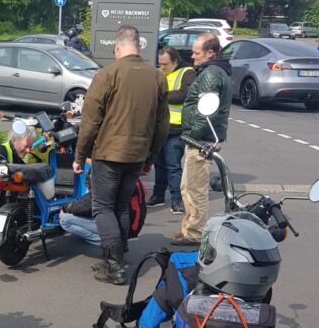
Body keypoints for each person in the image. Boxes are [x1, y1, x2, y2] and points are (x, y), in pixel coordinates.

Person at [74, 25, 169, 284]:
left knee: (102, 208)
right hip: (137, 156)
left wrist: (80, 157)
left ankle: (114, 267)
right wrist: (150, 157)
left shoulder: (107, 75)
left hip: (108, 154)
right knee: (122, 206)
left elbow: (90, 122)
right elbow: (162, 125)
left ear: (117, 47)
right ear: (139, 46)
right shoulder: (157, 77)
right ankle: (120, 254)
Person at [172, 32, 231, 247]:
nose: (192, 56)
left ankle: (195, 233)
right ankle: (189, 226)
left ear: (210, 53)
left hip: (200, 141)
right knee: (188, 186)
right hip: (202, 139)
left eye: (197, 53)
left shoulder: (210, 74)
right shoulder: (212, 71)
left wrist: (192, 135)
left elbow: (207, 112)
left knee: (194, 188)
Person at [147, 46, 196, 214]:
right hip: (159, 127)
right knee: (159, 164)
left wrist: (161, 95)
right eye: (160, 64)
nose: (162, 67)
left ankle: (177, 200)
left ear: (175, 61)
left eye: (165, 64)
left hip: (176, 128)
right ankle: (158, 195)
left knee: (172, 165)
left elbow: (185, 94)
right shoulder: (159, 73)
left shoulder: (187, 73)